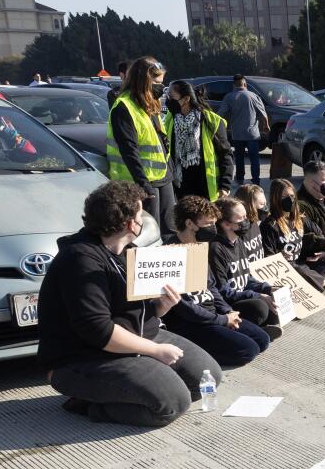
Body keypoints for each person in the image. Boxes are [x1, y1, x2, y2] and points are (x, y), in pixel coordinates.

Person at [36, 181, 221, 427]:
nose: (143, 218)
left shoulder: (126, 251)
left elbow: (139, 310)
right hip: (84, 357)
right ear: (130, 224)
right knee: (172, 404)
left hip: (139, 336)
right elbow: (97, 330)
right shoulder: (80, 260)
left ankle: (134, 387)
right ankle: (90, 404)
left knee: (207, 378)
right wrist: (154, 351)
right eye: (140, 213)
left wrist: (162, 306)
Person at [165, 195, 270, 367]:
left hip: (212, 313)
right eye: (208, 224)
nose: (213, 229)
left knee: (262, 340)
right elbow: (185, 308)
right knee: (248, 350)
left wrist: (228, 312)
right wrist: (221, 320)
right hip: (191, 323)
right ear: (190, 224)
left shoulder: (197, 247)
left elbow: (211, 287)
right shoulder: (169, 254)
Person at [108, 57, 175, 240]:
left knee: (169, 230)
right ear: (143, 80)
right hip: (139, 183)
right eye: (156, 83)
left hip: (162, 179)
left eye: (162, 83)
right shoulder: (124, 107)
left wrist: (171, 172)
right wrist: (143, 184)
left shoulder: (148, 103)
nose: (160, 87)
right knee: (147, 235)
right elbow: (129, 150)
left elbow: (159, 141)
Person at [208, 197, 282, 337]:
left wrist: (267, 288)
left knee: (275, 306)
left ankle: (257, 327)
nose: (246, 221)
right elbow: (222, 291)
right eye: (240, 218)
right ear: (226, 224)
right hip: (229, 304)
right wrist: (258, 296)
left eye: (245, 216)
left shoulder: (238, 241)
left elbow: (245, 277)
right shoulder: (216, 248)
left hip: (241, 295)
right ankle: (251, 331)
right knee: (260, 307)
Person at [260, 178, 325, 289]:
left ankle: (310, 280)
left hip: (302, 262)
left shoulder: (299, 218)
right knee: (299, 269)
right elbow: (267, 257)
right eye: (284, 197)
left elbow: (319, 234)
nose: (290, 200)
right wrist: (280, 256)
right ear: (275, 199)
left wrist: (322, 251)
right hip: (286, 267)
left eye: (292, 196)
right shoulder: (269, 225)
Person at [164, 80, 233, 201]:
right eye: (167, 97)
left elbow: (225, 154)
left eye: (172, 97)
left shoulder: (211, 120)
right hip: (179, 184)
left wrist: (225, 185)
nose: (168, 101)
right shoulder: (170, 119)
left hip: (204, 185)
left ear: (186, 99)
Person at [216, 74, 269, 186]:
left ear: (233, 85)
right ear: (245, 84)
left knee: (239, 158)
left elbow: (221, 114)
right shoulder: (253, 96)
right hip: (252, 135)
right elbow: (263, 113)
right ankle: (256, 181)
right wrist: (266, 125)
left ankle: (240, 179)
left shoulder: (229, 97)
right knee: (254, 158)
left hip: (237, 134)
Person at [230, 184, 268, 263]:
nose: (265, 208)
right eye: (261, 204)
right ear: (249, 206)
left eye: (265, 204)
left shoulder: (254, 223)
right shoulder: (239, 229)